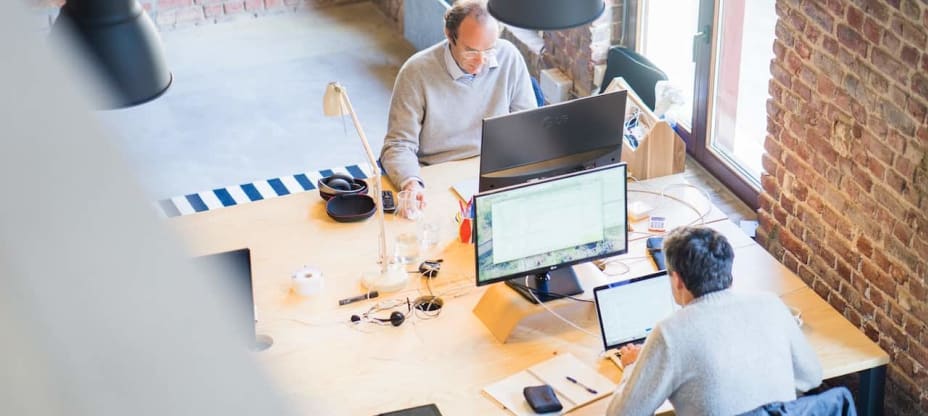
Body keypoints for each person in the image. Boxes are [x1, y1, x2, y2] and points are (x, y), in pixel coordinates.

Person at [606, 226, 823, 416]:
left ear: (677, 280)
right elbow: (812, 377)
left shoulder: (670, 333)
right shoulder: (771, 304)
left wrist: (633, 367)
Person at [379, 0, 536, 214]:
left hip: (492, 171)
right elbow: (398, 145)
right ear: (449, 35)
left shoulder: (508, 56)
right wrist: (411, 183)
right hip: (436, 175)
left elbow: (528, 128)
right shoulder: (415, 72)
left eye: (488, 50)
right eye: (471, 51)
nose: (480, 62)